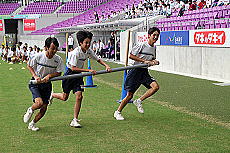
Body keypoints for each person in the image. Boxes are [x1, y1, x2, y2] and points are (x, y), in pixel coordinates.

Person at [50, 30, 111, 128]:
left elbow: (98, 59)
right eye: (86, 43)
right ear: (80, 43)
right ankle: (52, 95)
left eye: (89, 42)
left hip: (78, 76)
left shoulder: (88, 51)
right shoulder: (75, 53)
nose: (88, 45)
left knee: (79, 96)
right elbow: (73, 68)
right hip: (70, 75)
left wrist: (106, 66)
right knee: (64, 97)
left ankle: (75, 119)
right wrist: (88, 71)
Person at [114, 27, 160, 120]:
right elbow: (131, 56)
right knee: (129, 95)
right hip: (135, 71)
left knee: (155, 87)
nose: (155, 37)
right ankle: (117, 112)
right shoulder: (142, 45)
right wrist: (144, 61)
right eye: (154, 35)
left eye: (157, 35)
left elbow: (150, 59)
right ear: (149, 36)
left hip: (144, 72)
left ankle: (139, 101)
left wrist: (154, 61)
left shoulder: (154, 48)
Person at [23, 37, 64, 131]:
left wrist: (49, 76)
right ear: (46, 47)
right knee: (39, 103)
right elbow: (29, 65)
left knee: (44, 108)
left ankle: (32, 124)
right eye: (52, 48)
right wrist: (35, 76)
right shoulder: (39, 56)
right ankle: (30, 110)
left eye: (56, 48)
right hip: (35, 83)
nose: (54, 51)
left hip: (47, 85)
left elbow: (59, 73)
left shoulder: (58, 59)